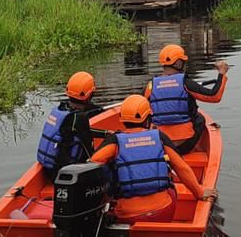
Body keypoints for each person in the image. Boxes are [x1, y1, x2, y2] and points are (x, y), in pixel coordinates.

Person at [89, 95, 216, 223]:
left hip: (126, 216)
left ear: (122, 120)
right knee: (171, 187)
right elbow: (181, 167)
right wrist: (200, 193)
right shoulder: (159, 137)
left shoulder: (115, 141)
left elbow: (92, 165)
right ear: (148, 119)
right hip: (163, 211)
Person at [143, 44, 230, 154]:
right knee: (199, 118)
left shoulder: (150, 86)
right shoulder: (185, 83)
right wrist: (222, 74)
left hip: (159, 144)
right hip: (183, 146)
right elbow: (214, 96)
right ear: (179, 63)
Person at [36, 71, 103, 182]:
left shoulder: (60, 109)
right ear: (90, 95)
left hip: (49, 171)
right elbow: (89, 153)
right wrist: (109, 135)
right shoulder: (79, 119)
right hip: (66, 174)